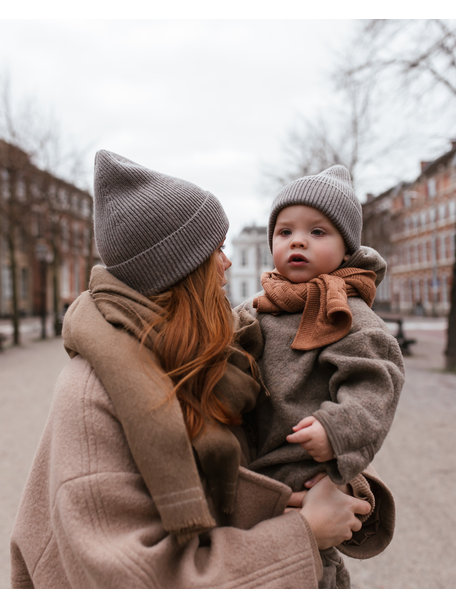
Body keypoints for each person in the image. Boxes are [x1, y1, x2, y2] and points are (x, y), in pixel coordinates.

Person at [11, 152, 393, 589]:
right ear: (179, 270)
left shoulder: (218, 350)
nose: (227, 263)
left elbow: (290, 420)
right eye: (216, 250)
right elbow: (130, 581)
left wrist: (345, 490)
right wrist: (302, 534)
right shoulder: (93, 393)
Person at [234, 165, 405, 587]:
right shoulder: (257, 308)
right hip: (251, 472)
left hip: (304, 470)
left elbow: (375, 382)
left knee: (311, 568)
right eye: (285, 231)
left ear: (346, 250)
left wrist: (336, 429)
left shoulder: (348, 315)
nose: (297, 240)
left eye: (317, 232)